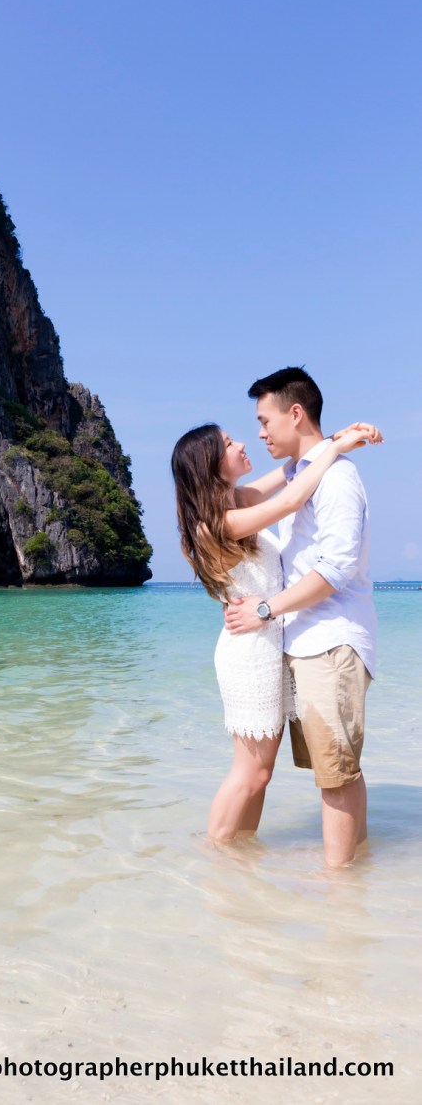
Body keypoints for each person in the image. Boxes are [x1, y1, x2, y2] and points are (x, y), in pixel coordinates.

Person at [171, 415, 380, 848]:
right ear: (211, 463)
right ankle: (214, 854)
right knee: (251, 771)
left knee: (261, 773)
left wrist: (333, 437)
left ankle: (241, 854)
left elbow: (290, 472)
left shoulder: (238, 500)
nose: (242, 444)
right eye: (229, 443)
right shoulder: (218, 524)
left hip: (267, 644)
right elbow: (290, 500)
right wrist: (336, 450)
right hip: (248, 652)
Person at [224, 367, 380, 867]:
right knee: (335, 770)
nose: (260, 433)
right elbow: (273, 496)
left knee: (336, 773)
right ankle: (352, 875)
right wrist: (334, 441)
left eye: (264, 420)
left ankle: (339, 886)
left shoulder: (336, 477)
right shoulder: (302, 473)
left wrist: (265, 609)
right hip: (305, 640)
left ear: (295, 414)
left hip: (331, 640)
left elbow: (335, 569)